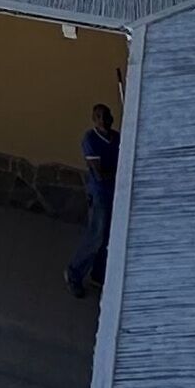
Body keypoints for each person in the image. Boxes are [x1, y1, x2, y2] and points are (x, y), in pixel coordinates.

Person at [66, 101, 118, 299]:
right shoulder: (90, 140)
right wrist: (119, 171)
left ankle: (98, 275)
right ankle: (74, 273)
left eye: (106, 116)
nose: (104, 121)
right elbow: (100, 172)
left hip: (114, 194)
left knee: (107, 238)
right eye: (99, 117)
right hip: (99, 196)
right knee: (95, 237)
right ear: (94, 120)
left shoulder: (116, 138)